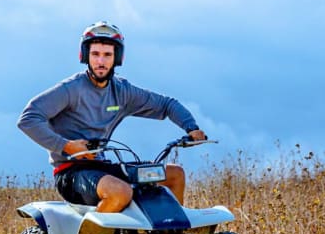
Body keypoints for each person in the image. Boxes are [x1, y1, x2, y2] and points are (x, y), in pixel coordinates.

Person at [18, 21, 207, 213]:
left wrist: (191, 127)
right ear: (85, 55)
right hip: (70, 172)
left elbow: (167, 104)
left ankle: (172, 230)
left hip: (103, 168)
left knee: (175, 174)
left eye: (107, 55)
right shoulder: (71, 89)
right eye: (95, 54)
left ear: (117, 57)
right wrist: (66, 146)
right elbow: (28, 119)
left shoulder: (122, 92)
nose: (101, 61)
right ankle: (91, 233)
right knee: (121, 192)